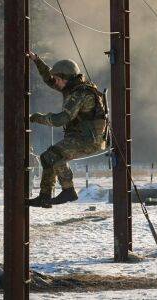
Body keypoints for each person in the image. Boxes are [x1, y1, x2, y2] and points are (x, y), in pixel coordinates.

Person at [27, 51, 107, 208]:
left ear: (66, 78)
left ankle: (68, 190)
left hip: (88, 140)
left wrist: (35, 117)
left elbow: (61, 119)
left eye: (58, 79)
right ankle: (44, 196)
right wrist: (36, 60)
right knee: (46, 157)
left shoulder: (80, 93)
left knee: (53, 155)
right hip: (81, 137)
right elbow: (50, 79)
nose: (55, 83)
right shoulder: (72, 87)